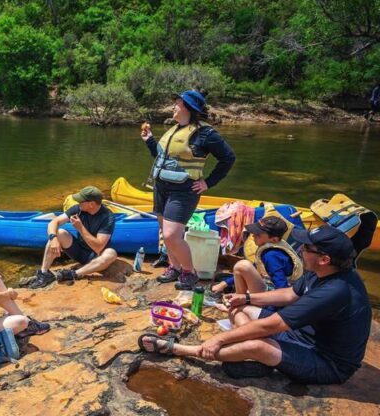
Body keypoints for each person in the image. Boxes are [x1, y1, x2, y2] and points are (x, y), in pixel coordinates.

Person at [139, 225, 372, 385]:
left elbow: (272, 325)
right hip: (301, 337)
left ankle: (178, 349)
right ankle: (254, 357)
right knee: (240, 310)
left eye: (306, 248)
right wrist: (247, 298)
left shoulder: (336, 290)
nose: (300, 250)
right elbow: (290, 293)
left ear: (324, 259)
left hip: (326, 362)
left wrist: (219, 339)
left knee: (258, 345)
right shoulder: (321, 272)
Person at [140, 90, 236, 290]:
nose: (173, 106)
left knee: (171, 235)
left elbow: (228, 158)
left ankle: (189, 272)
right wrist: (150, 141)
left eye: (177, 103)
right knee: (165, 233)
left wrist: (208, 183)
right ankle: (174, 267)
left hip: (183, 190)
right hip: (161, 187)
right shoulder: (174, 129)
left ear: (188, 108)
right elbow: (161, 158)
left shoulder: (206, 134)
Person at [28, 186, 118, 289]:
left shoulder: (108, 217)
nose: (78, 202)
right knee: (59, 232)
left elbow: (98, 247)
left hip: (97, 256)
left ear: (92, 204)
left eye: (81, 201)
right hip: (79, 251)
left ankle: (73, 274)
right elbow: (54, 222)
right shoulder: (78, 209)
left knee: (111, 254)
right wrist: (53, 238)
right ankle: (44, 274)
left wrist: (80, 228)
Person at [210, 217, 302, 300]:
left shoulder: (271, 256)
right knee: (222, 278)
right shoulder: (273, 247)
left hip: (275, 295)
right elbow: (256, 267)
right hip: (270, 286)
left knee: (241, 266)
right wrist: (224, 284)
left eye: (258, 235)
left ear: (274, 239)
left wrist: (268, 310)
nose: (253, 236)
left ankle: (239, 302)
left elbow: (282, 290)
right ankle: (237, 296)